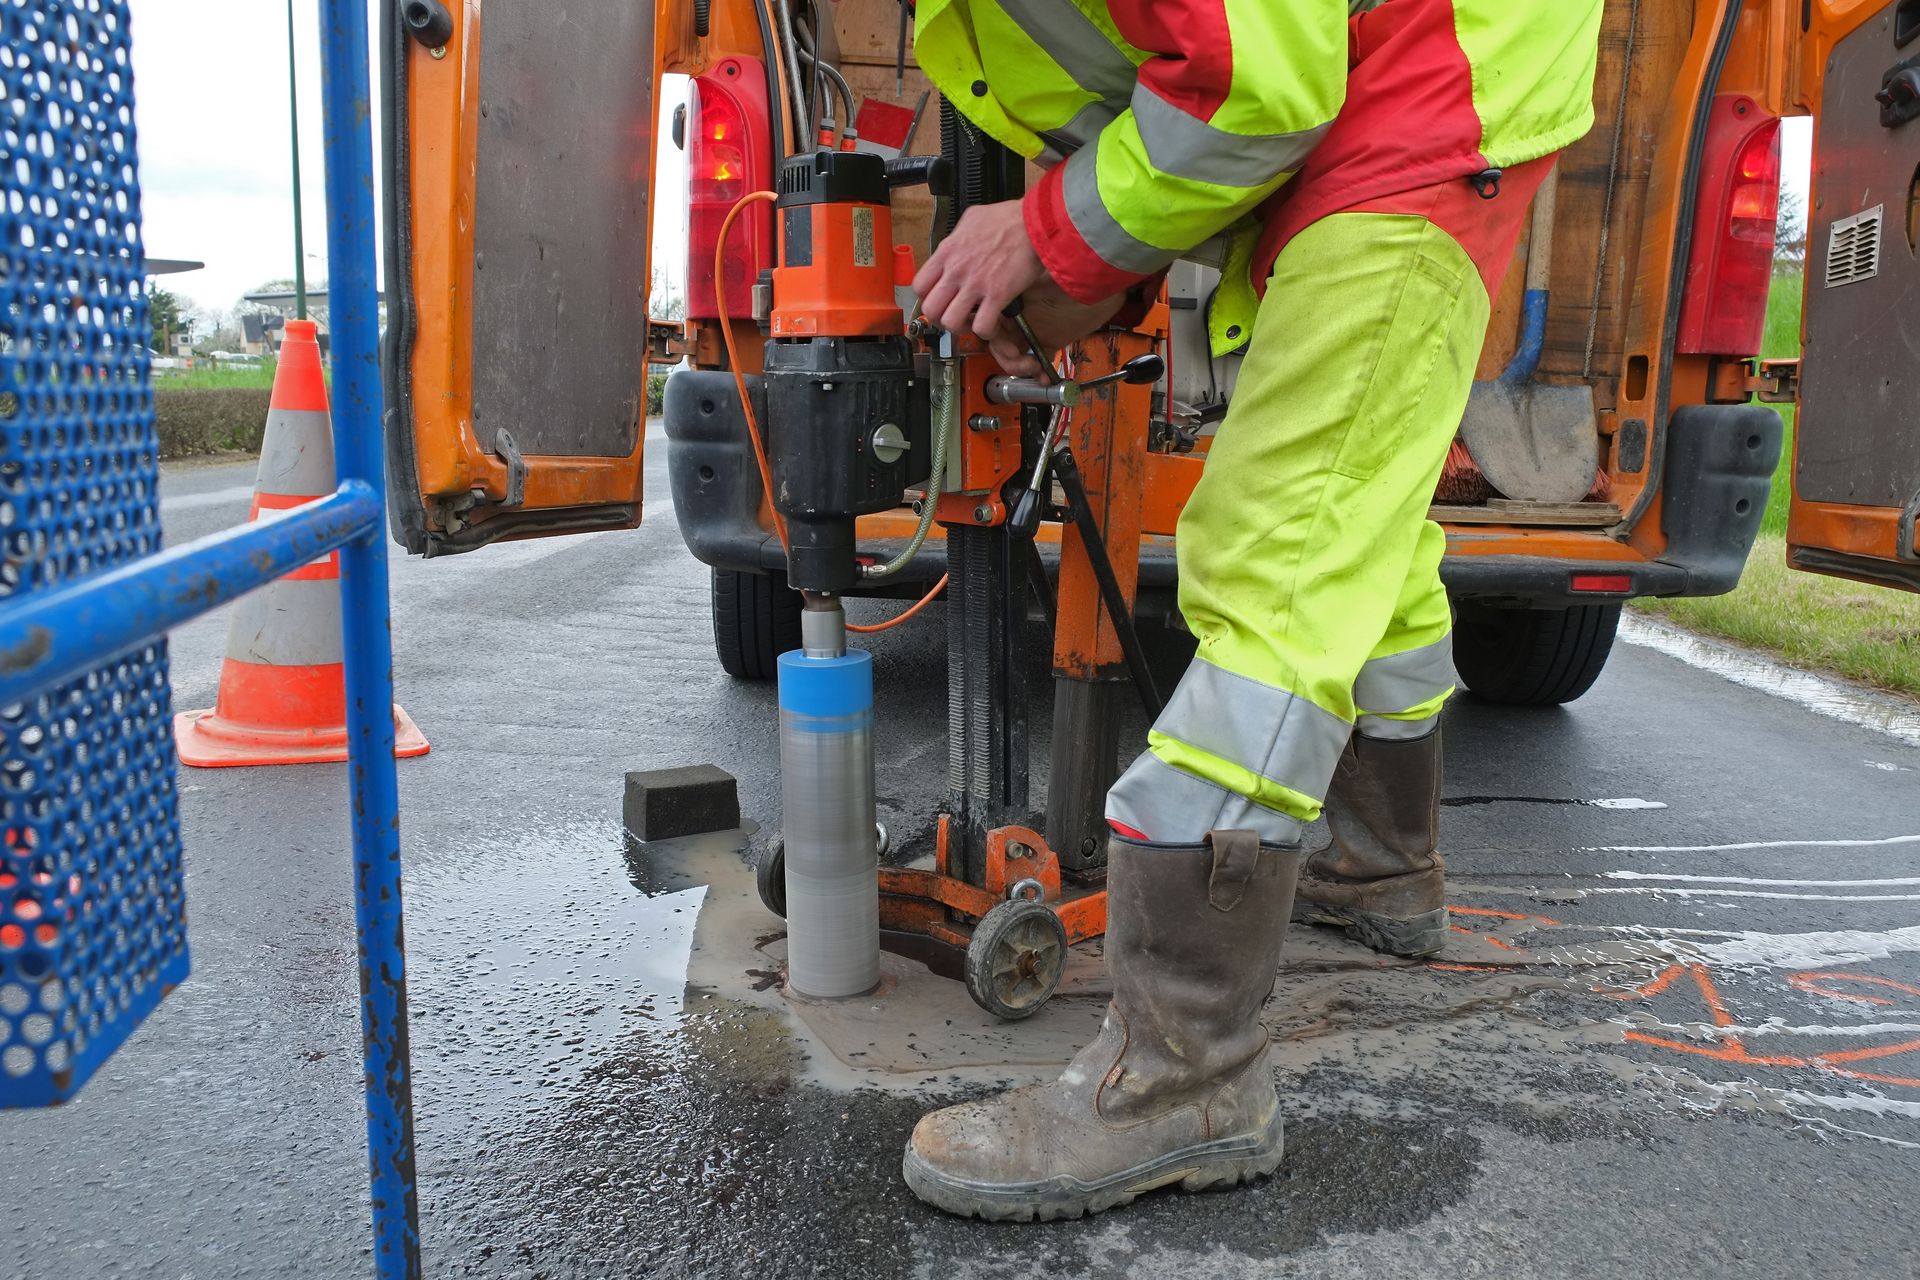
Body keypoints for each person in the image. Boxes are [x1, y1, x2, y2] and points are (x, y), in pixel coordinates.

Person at [898, 0, 1605, 1221]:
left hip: (1418, 106)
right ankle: (1383, 868)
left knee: (1276, 551)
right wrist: (1073, 243)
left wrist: (1051, 236)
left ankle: (1186, 1074)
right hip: (1407, 98)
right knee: (1364, 526)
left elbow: (1255, 79)